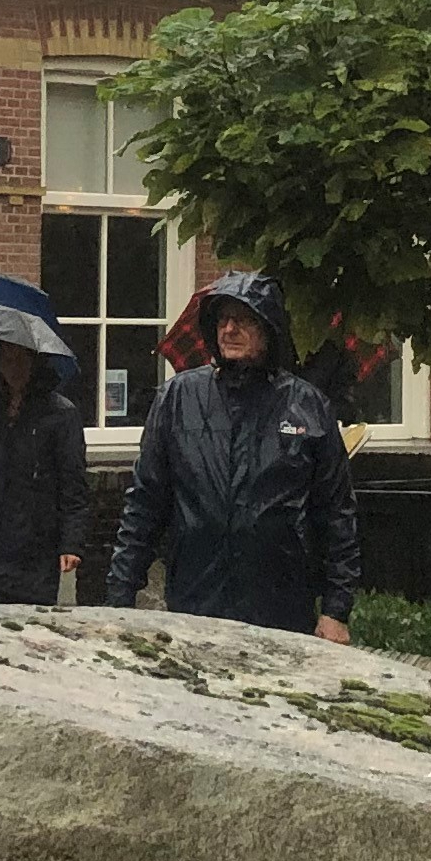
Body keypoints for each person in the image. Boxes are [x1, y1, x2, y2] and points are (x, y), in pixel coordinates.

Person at [101, 270, 363, 640]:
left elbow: (335, 513)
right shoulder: (178, 399)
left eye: (243, 320)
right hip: (195, 598)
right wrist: (119, 598)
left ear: (268, 327)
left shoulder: (308, 406)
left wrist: (336, 609)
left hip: (280, 603)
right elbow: (146, 502)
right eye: (222, 319)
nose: (229, 329)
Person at [0, 340, 89, 607]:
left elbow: (73, 482)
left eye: (21, 359)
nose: (13, 367)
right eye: (6, 359)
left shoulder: (61, 413)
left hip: (34, 541)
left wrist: (71, 543)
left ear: (35, 362)